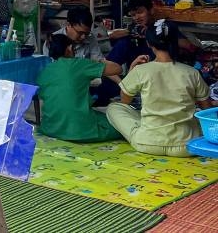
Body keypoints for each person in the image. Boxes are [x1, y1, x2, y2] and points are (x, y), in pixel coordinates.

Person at [106, 20, 211, 156]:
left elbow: (125, 101)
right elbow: (207, 110)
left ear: (149, 43)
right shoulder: (192, 73)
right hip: (186, 146)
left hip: (148, 143)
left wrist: (132, 70)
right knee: (196, 115)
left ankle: (147, 126)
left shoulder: (141, 71)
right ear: (175, 42)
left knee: (114, 108)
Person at [38, 34, 122, 142]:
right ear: (69, 49)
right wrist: (98, 60)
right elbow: (117, 69)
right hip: (80, 130)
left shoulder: (45, 71)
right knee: (120, 125)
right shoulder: (79, 64)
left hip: (50, 127)